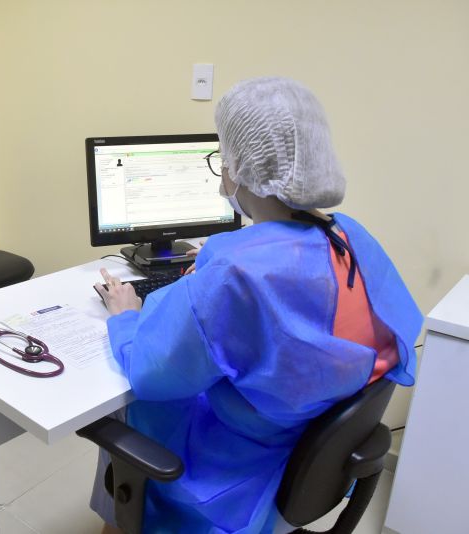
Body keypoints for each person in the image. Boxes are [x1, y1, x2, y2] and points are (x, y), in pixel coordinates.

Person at [91, 77, 423, 533]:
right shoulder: (351, 236)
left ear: (240, 168)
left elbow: (152, 371)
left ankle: (122, 520)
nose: (223, 173)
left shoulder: (236, 270)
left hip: (239, 476)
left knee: (129, 410)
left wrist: (126, 316)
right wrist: (237, 252)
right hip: (308, 458)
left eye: (221, 159)